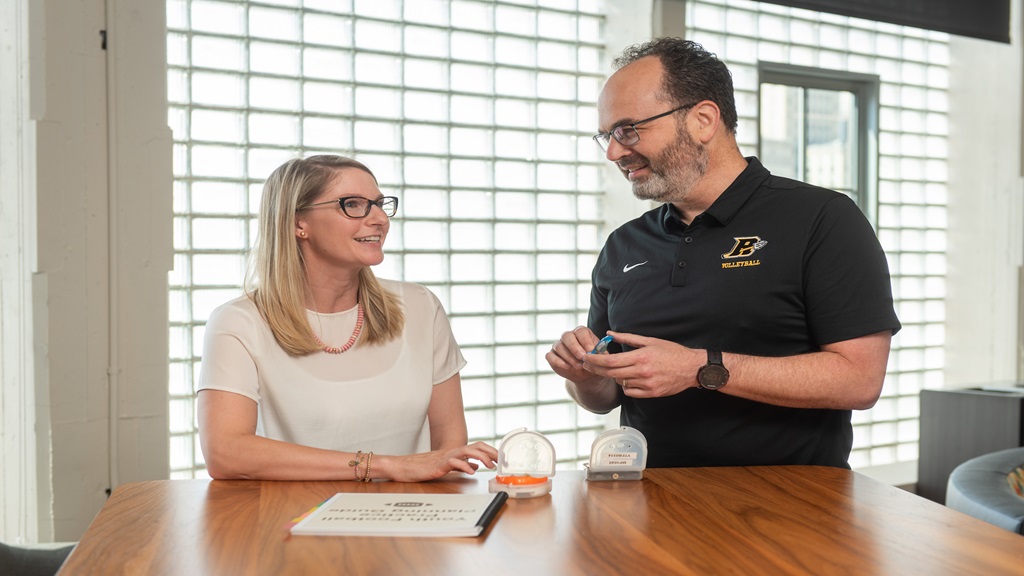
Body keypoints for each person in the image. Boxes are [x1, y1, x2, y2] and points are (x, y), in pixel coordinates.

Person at [545, 38, 901, 468]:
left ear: (703, 120)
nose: (614, 152)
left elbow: (859, 380)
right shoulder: (624, 244)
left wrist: (699, 368)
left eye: (627, 130)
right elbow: (605, 397)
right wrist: (585, 376)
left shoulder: (822, 218)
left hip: (793, 511)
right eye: (607, 135)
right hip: (650, 505)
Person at [197, 155, 497, 481]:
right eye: (353, 204)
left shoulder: (421, 307)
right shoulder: (239, 322)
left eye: (380, 204)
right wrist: (383, 466)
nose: (380, 218)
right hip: (292, 520)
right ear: (298, 223)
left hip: (409, 516)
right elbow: (224, 452)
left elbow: (448, 443)